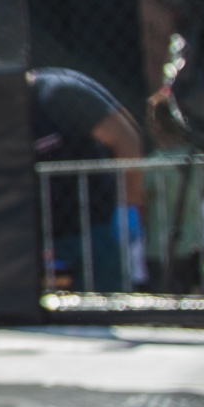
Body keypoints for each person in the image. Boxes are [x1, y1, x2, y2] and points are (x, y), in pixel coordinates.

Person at [30, 67, 141, 293]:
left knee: (107, 300)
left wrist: (128, 206)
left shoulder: (58, 92)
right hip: (38, 234)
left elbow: (126, 138)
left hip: (96, 228)